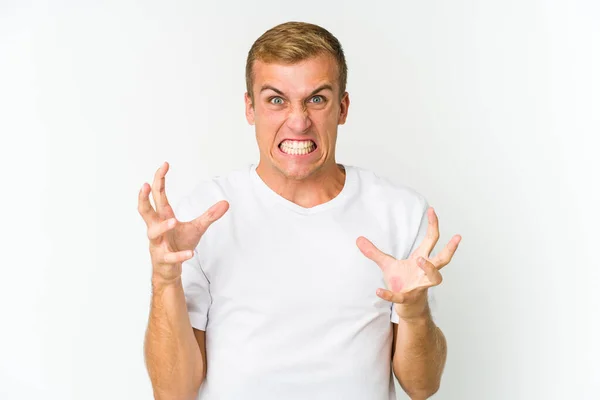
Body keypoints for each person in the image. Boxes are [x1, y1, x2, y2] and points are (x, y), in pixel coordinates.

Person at [138, 21, 461, 400]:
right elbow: (172, 392)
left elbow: (422, 387)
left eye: (317, 99)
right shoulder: (200, 217)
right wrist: (165, 279)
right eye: (276, 100)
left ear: (342, 108)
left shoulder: (399, 211)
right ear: (250, 108)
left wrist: (413, 312)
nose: (298, 121)